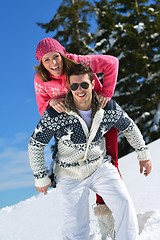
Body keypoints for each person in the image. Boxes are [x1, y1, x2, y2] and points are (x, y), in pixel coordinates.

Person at [28, 63, 152, 240]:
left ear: (93, 84)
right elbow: (36, 143)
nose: (80, 90)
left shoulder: (106, 108)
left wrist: (143, 155)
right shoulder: (57, 114)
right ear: (69, 87)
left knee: (123, 204)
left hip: (99, 167)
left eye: (84, 84)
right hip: (69, 174)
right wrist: (40, 176)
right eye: (75, 86)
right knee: (75, 227)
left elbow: (129, 127)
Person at [34, 37, 119, 236]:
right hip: (76, 133)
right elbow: (42, 107)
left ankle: (111, 221)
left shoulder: (79, 63)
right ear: (41, 63)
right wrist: (51, 102)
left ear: (63, 54)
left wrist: (106, 93)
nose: (53, 63)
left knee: (109, 165)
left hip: (101, 119)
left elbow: (112, 62)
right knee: (76, 176)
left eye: (56, 57)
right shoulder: (41, 80)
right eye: (46, 60)